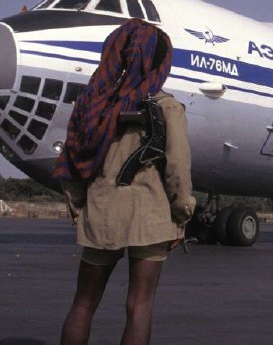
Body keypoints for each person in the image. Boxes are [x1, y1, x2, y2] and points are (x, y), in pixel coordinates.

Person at [54, 19, 195, 345]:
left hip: (101, 211)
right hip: (150, 216)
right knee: (139, 306)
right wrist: (182, 215)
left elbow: (74, 161)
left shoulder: (90, 104)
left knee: (83, 304)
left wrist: (79, 208)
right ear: (158, 60)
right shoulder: (167, 107)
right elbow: (177, 169)